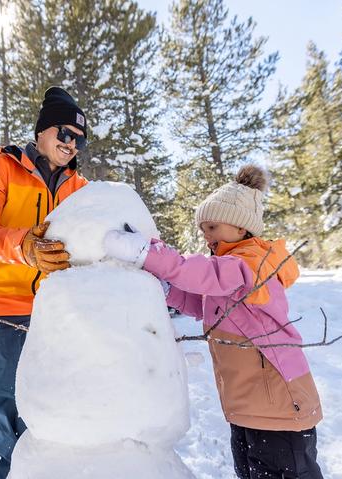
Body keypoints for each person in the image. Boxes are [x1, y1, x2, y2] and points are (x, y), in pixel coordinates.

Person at [103, 165, 324, 479]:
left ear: (241, 227)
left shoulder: (252, 262)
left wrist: (147, 253)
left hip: (280, 405)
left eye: (212, 227)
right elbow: (204, 303)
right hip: (250, 407)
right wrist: (167, 290)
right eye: (203, 229)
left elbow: (205, 275)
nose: (206, 236)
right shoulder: (233, 269)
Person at [0, 86, 88, 479]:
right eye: (64, 133)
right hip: (1, 309)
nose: (71, 144)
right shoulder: (1, 167)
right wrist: (23, 247)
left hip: (55, 314)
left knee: (47, 414)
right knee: (1, 411)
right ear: (42, 131)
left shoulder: (79, 189)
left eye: (79, 139)